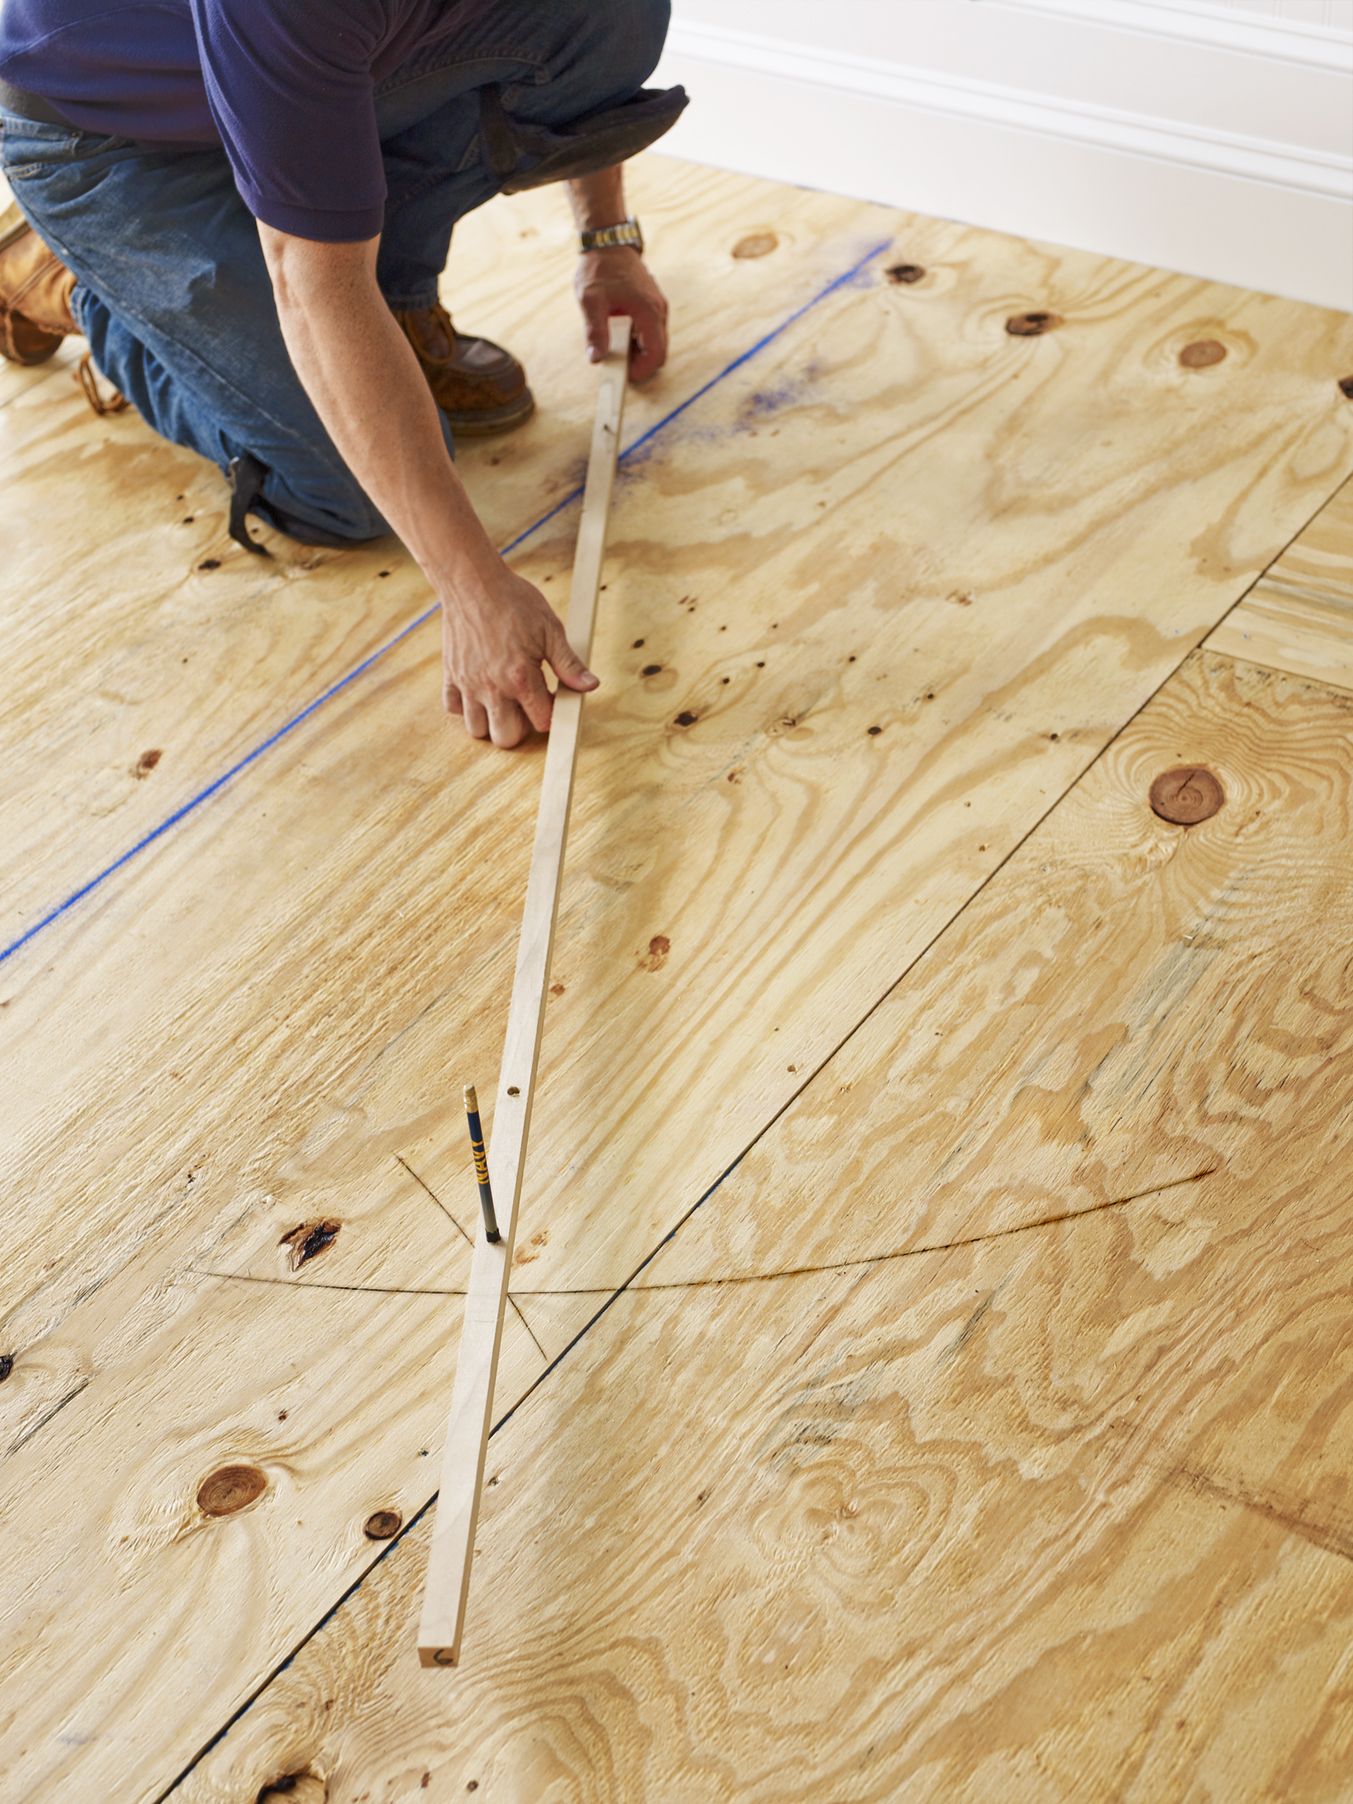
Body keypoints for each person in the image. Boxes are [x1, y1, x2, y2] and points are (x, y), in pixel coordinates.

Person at [0, 0, 686, 747]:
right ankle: (79, 287)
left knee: (612, 24)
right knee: (352, 496)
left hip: (282, 77)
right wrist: (471, 590)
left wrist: (608, 240)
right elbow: (313, 283)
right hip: (110, 138)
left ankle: (387, 296)